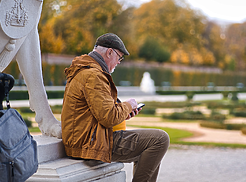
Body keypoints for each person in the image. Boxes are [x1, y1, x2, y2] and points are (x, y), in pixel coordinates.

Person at [61, 33, 169, 182]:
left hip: (86, 139)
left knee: (152, 152)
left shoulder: (85, 70)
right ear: (110, 52)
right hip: (89, 144)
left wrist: (124, 112)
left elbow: (99, 112)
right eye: (119, 57)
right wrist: (128, 105)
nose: (119, 62)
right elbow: (108, 117)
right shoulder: (94, 75)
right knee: (160, 139)